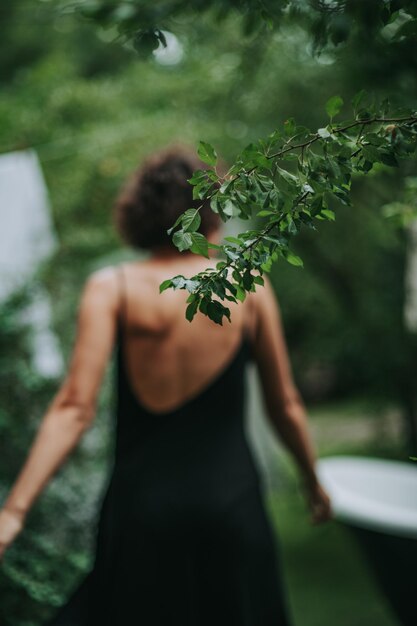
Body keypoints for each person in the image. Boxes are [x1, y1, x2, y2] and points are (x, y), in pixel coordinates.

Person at [0, 145, 331, 625]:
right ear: (213, 209)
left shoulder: (113, 286)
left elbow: (74, 408)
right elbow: (286, 403)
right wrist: (312, 482)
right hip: (233, 507)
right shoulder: (247, 283)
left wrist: (14, 510)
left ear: (140, 212)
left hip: (143, 514)